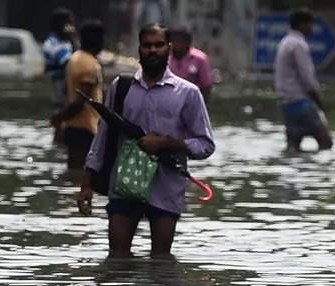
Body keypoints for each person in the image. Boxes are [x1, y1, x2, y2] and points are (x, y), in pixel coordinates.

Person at [78, 23, 215, 258]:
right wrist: (87, 183)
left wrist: (166, 144)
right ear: (139, 49)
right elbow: (102, 137)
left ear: (168, 49)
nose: (153, 50)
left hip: (166, 187)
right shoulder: (121, 88)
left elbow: (205, 145)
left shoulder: (188, 93)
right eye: (147, 45)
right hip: (124, 185)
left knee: (161, 263)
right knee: (117, 260)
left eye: (158, 45)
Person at [50, 20, 104, 175]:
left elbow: (70, 94)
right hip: (84, 128)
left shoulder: (75, 58)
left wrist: (61, 118)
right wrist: (60, 118)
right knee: (79, 176)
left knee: (74, 173)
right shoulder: (90, 64)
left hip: (75, 127)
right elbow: (81, 100)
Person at [274, 8, 332, 151]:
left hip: (286, 103)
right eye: (310, 24)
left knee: (293, 146)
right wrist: (318, 100)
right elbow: (306, 77)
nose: (312, 28)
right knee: (326, 142)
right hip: (301, 102)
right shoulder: (299, 45)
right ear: (302, 24)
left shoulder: (285, 42)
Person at [43, 8, 77, 114]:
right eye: (69, 23)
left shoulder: (66, 42)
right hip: (60, 86)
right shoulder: (52, 43)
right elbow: (68, 62)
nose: (71, 26)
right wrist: (72, 38)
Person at [168, 27, 214, 102]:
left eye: (177, 41)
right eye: (172, 41)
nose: (174, 44)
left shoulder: (200, 59)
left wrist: (201, 104)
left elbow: (207, 85)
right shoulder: (166, 58)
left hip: (192, 101)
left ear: (187, 42)